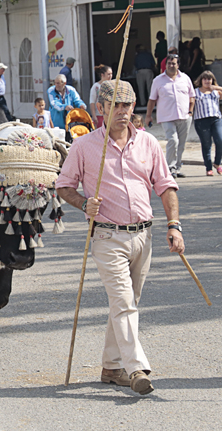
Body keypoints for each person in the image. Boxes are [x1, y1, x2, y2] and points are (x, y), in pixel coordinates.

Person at [56, 79, 183, 396]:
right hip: (107, 236)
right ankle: (136, 368)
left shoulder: (148, 143)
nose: (123, 112)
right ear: (101, 109)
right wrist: (84, 203)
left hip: (144, 235)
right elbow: (63, 186)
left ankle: (112, 368)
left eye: (127, 105)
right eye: (115, 106)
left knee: (127, 302)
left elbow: (165, 185)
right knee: (124, 303)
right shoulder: (85, 147)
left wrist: (174, 224)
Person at [145, 53, 195, 178]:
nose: (171, 65)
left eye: (173, 63)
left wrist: (190, 112)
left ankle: (177, 168)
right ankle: (170, 168)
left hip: (184, 116)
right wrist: (148, 115)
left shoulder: (185, 78)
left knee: (182, 143)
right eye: (169, 63)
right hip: (167, 117)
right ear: (165, 65)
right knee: (173, 140)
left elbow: (192, 96)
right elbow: (152, 100)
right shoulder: (158, 80)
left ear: (178, 65)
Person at [192, 70, 222, 176]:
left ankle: (217, 163)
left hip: (216, 119)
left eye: (209, 79)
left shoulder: (216, 92)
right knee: (206, 144)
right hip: (201, 120)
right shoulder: (196, 92)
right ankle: (208, 167)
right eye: (204, 79)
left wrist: (216, 87)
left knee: (220, 140)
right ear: (201, 80)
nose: (207, 81)